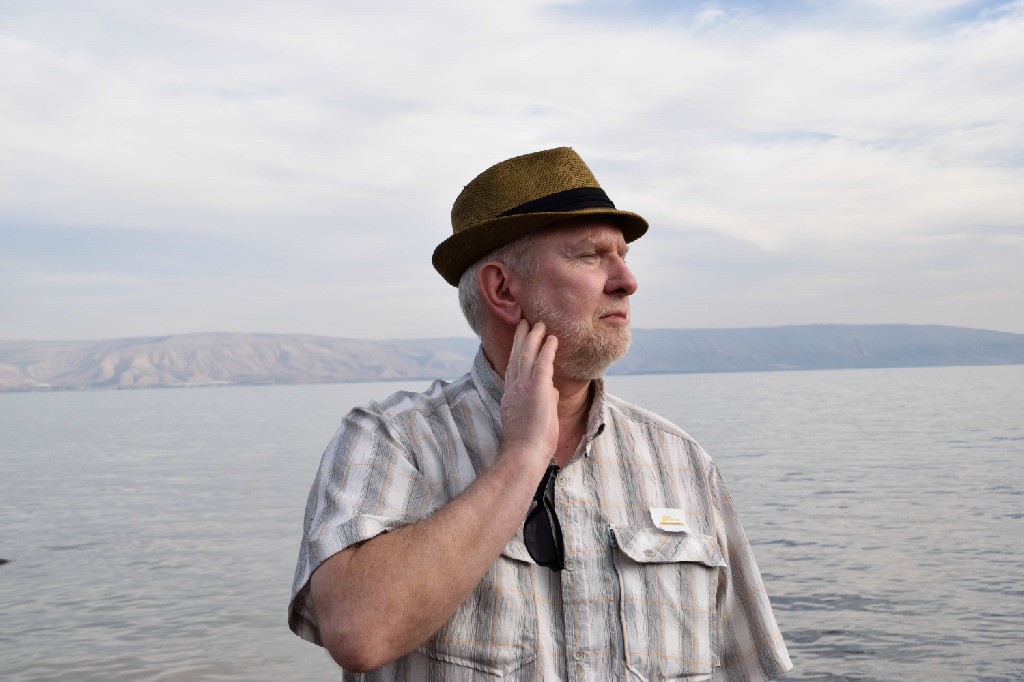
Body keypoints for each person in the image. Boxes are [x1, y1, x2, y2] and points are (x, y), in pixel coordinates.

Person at [288, 147, 793, 680]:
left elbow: (750, 670)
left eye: (623, 255)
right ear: (503, 289)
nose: (626, 280)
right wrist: (522, 458)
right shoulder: (393, 440)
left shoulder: (680, 461)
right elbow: (360, 633)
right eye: (590, 255)